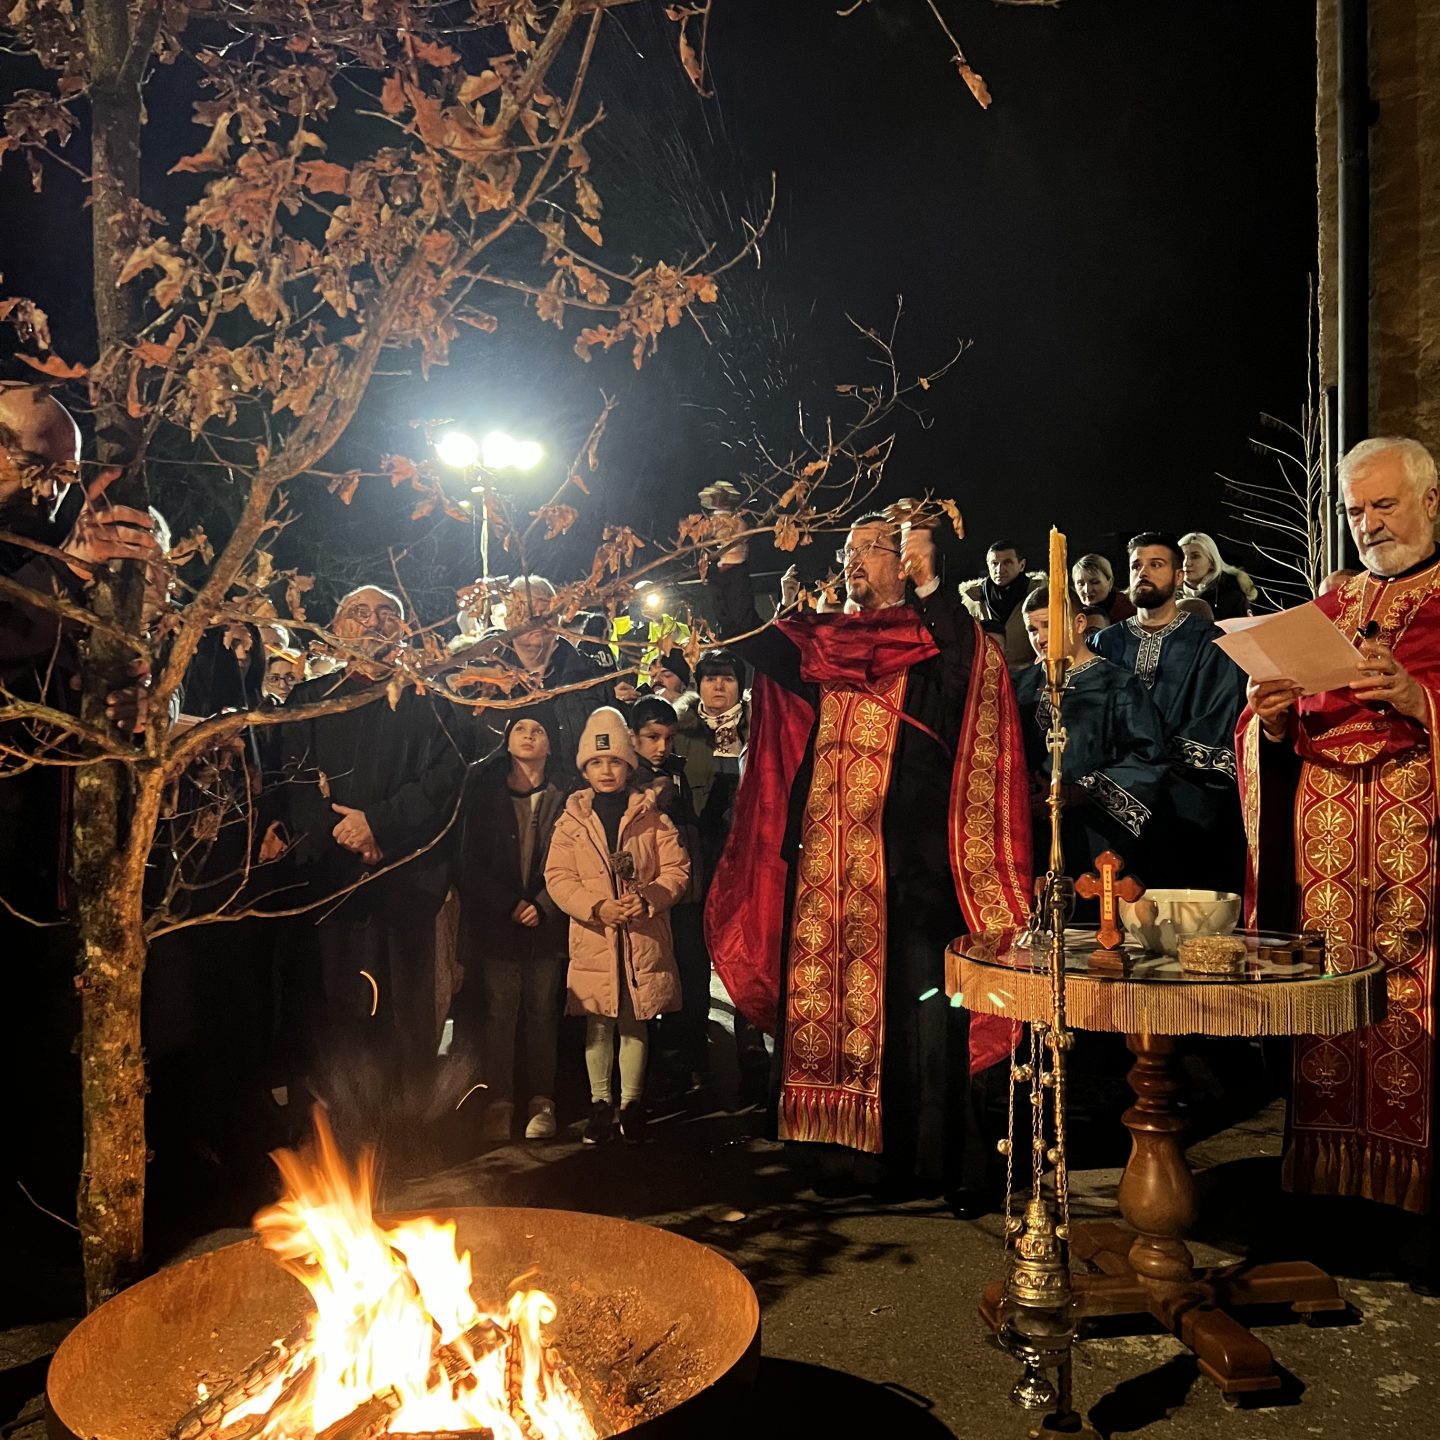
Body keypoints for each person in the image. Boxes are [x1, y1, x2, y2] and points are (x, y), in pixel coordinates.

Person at [704, 510, 1031, 1209]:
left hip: (913, 874)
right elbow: (752, 642)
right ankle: (837, 1156)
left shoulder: (939, 641)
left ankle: (915, 1160)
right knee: (825, 1007)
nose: (853, 560)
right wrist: (731, 566)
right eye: (848, 550)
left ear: (906, 561)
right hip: (826, 865)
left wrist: (926, 574)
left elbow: (958, 648)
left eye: (873, 549)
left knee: (914, 1018)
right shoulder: (826, 642)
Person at [1239, 437, 1440, 1265]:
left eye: (1383, 506)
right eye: (1355, 512)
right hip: (1324, 822)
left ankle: (1414, 1200)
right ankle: (1331, 1185)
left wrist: (1419, 697)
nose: (1367, 525)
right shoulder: (1331, 598)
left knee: (1407, 992)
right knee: (1328, 987)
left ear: (1431, 501)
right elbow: (1268, 730)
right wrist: (1273, 715)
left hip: (1412, 821)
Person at [267, 585, 465, 1144]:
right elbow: (292, 779)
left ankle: (406, 1125)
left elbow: (444, 780)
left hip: (405, 873)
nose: (374, 623)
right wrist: (346, 833)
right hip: (330, 878)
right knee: (332, 998)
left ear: (404, 629)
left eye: (388, 614)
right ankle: (337, 1122)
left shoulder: (431, 699)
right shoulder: (310, 697)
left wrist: (379, 824)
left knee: (405, 1002)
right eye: (359, 613)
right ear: (335, 627)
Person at [544, 708, 690, 1145]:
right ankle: (600, 1103)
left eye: (614, 762)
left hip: (641, 936)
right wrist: (596, 907)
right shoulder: (570, 822)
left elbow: (677, 871)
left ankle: (632, 1102)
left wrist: (647, 899)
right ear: (584, 767)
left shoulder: (652, 817)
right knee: (598, 1021)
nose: (606, 771)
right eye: (596, 762)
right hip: (595, 938)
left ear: (628, 765)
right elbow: (558, 877)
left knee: (635, 1020)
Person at [1092, 532, 1247, 892]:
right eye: (1136, 566)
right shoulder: (1104, 642)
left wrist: (1145, 770)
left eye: (1156, 565)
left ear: (1179, 577)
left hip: (1183, 801)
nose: (1143, 573)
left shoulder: (1208, 642)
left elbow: (1214, 721)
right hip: (1110, 800)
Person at [453, 712, 567, 1144]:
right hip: (499, 924)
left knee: (541, 1013)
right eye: (519, 728)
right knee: (500, 1014)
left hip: (545, 924)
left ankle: (542, 1100)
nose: (529, 734)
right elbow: (469, 861)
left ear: (550, 744)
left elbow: (574, 859)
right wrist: (508, 903)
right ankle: (499, 1100)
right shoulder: (485, 795)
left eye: (538, 728)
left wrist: (543, 903)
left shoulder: (565, 797)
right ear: (505, 740)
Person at [1013, 586, 1168, 897]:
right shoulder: (1020, 686)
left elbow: (1147, 759)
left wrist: (1076, 792)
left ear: (1079, 623)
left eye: (1048, 625)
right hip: (1031, 833)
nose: (1040, 638)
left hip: (1096, 831)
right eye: (1032, 628)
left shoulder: (1119, 686)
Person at [449, 573, 613, 771]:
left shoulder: (589, 678)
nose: (537, 620)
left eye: (546, 612)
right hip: (495, 796)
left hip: (568, 797)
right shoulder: (482, 678)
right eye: (526, 613)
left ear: (559, 619)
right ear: (508, 620)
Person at [958, 539, 1046, 666]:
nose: (999, 569)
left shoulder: (1040, 598)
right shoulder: (972, 599)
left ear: (1021, 565)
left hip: (1028, 675)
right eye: (994, 563)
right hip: (986, 675)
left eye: (1007, 562)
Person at [1179, 531, 1257, 620]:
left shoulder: (1233, 599)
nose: (1187, 563)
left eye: (1195, 556)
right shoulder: (1166, 597)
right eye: (1181, 557)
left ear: (1212, 563)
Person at [1072, 553, 1136, 625]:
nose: (1087, 590)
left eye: (1095, 582)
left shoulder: (1130, 612)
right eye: (1080, 584)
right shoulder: (1071, 614)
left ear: (1110, 582)